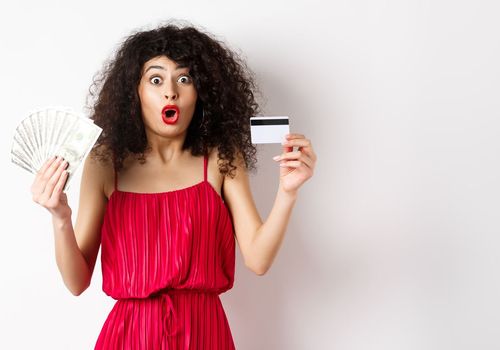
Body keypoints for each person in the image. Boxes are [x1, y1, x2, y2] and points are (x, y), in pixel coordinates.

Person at [29, 22, 316, 349]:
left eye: (184, 78)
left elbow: (258, 260)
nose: (171, 92)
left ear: (202, 91)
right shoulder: (105, 163)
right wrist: (60, 217)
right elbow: (76, 282)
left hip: (205, 335)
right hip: (130, 337)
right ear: (134, 93)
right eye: (155, 79)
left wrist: (288, 193)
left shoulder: (221, 158)